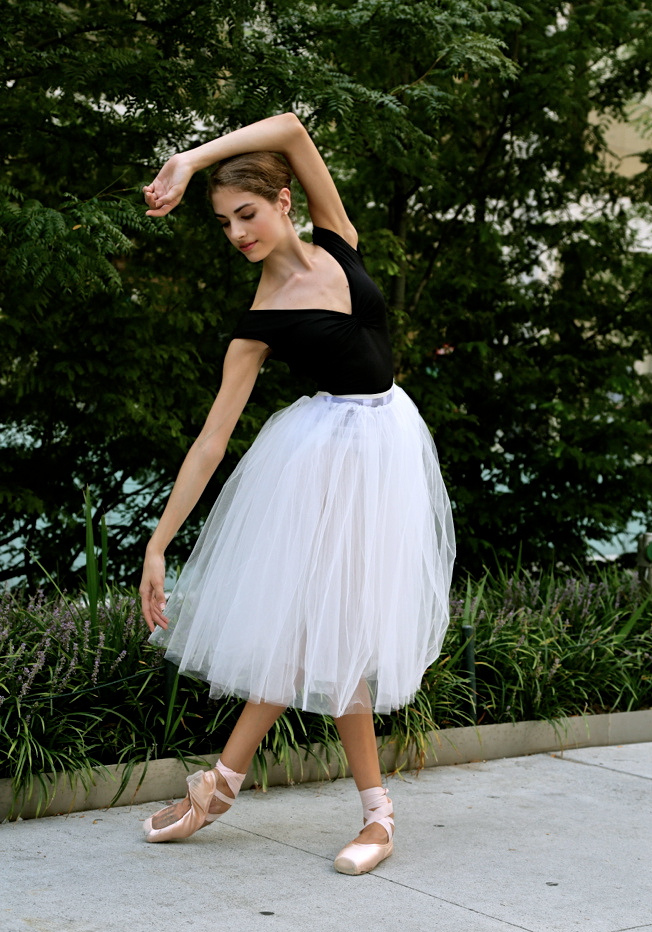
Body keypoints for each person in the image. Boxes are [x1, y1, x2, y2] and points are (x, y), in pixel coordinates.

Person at [139, 112, 456, 875]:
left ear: (284, 203)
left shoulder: (336, 237)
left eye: (246, 213)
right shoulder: (259, 321)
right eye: (224, 224)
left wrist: (189, 160)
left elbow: (287, 128)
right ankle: (367, 813)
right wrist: (157, 543)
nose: (236, 232)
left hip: (387, 449)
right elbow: (211, 441)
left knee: (330, 631)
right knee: (326, 631)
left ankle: (223, 784)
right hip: (327, 465)